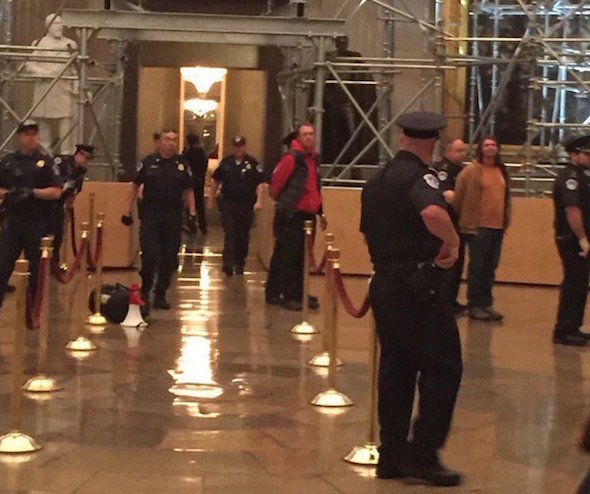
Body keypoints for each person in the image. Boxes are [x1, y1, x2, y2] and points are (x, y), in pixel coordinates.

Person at [360, 111, 463, 487]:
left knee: (397, 367)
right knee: (443, 367)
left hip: (385, 281)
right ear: (432, 142)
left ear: (403, 136)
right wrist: (452, 241)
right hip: (417, 285)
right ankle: (423, 454)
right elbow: (433, 211)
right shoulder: (421, 177)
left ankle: (391, 456)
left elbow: (367, 234)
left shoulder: (377, 179)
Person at [121, 129, 197, 310]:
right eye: (167, 139)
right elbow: (135, 186)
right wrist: (127, 210)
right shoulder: (148, 162)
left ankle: (160, 293)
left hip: (173, 216)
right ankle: (145, 290)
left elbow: (188, 190)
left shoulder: (182, 164)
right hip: (151, 215)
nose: (171, 143)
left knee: (170, 257)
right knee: (150, 255)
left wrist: (192, 213)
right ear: (159, 142)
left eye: (174, 140)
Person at [0, 120, 62, 309]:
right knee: (2, 266)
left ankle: (33, 310)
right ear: (19, 137)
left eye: (34, 134)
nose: (31, 138)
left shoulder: (45, 162)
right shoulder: (8, 161)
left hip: (36, 222)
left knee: (36, 270)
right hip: (13, 222)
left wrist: (32, 192)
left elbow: (56, 191)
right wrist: (8, 194)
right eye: (27, 134)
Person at [265, 123, 327, 311]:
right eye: (305, 134)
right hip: (292, 214)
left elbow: (315, 188)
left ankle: (289, 291)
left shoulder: (312, 160)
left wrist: (321, 212)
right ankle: (288, 293)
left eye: (311, 134)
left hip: (308, 215)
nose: (309, 137)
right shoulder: (291, 159)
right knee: (289, 255)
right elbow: (275, 186)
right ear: (298, 138)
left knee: (300, 256)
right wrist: (287, 206)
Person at [453, 136, 511, 322]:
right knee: (477, 267)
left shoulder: (501, 170)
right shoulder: (471, 171)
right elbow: (458, 198)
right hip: (478, 227)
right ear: (480, 149)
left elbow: (506, 196)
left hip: (498, 226)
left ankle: (486, 303)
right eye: (486, 145)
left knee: (490, 267)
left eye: (493, 145)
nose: (490, 148)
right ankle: (475, 305)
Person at [552, 133, 590, 346]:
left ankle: (573, 326)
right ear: (574, 154)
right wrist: (582, 238)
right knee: (573, 283)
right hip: (572, 239)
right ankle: (564, 330)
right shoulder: (570, 178)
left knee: (580, 284)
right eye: (586, 154)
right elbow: (572, 210)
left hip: (581, 238)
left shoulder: (582, 175)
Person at [209, 136, 264, 276]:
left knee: (243, 234)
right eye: (236, 146)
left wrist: (259, 201)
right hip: (229, 203)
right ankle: (227, 263)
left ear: (244, 147)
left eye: (241, 146)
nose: (238, 149)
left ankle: (240, 262)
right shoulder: (226, 163)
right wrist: (211, 199)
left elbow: (260, 183)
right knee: (230, 232)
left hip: (246, 204)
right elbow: (216, 180)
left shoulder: (252, 163)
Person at [26, 14, 77, 154]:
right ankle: (45, 154)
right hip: (45, 87)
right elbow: (30, 65)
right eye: (55, 24)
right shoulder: (39, 43)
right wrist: (45, 73)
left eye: (60, 23)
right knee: (44, 122)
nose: (59, 26)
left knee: (66, 121)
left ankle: (66, 154)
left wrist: (76, 84)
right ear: (48, 26)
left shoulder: (70, 44)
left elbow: (76, 68)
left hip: (64, 88)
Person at [434, 138, 468, 314]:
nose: (463, 154)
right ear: (448, 151)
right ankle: (444, 302)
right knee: (448, 262)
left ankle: (452, 300)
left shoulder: (461, 170)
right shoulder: (443, 169)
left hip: (459, 220)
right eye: (459, 150)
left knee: (458, 263)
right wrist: (466, 202)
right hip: (447, 220)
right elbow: (446, 194)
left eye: (464, 150)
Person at [48, 144, 93, 260]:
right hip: (47, 203)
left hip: (59, 205)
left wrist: (70, 203)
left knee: (58, 236)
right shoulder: (62, 163)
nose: (86, 162)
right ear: (78, 154)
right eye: (86, 158)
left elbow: (76, 189)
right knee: (47, 236)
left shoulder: (81, 171)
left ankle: (54, 265)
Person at [184, 133, 208, 234]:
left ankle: (191, 224)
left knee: (189, 203)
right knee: (200, 204)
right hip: (200, 180)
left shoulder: (187, 153)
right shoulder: (202, 153)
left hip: (189, 181)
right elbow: (205, 166)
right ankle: (203, 226)